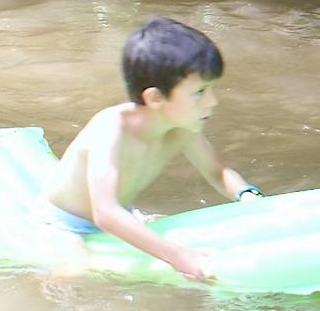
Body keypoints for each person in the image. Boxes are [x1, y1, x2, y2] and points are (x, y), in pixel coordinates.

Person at [46, 16, 262, 283]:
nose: (213, 101)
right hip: (67, 224)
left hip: (125, 213)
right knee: (74, 272)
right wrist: (180, 257)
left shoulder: (183, 126)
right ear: (155, 98)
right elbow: (105, 212)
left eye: (212, 89)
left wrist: (247, 195)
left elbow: (218, 172)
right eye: (200, 92)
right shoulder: (110, 130)